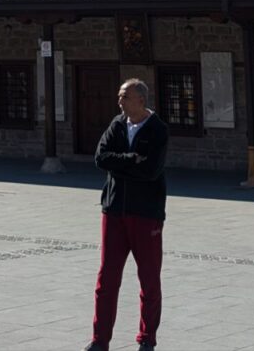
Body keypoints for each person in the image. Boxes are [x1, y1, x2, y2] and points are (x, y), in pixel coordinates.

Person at [83, 78, 169, 351]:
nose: (120, 101)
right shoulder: (117, 125)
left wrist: (118, 164)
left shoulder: (157, 130)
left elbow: (151, 171)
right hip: (114, 210)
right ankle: (100, 341)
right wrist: (131, 160)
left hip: (146, 214)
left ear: (140, 100)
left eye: (125, 96)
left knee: (149, 279)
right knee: (106, 279)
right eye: (120, 96)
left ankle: (147, 339)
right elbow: (100, 158)